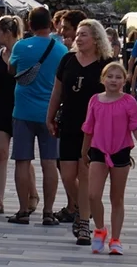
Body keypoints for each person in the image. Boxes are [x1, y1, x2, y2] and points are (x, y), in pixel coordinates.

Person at [47, 19, 114, 245]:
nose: (78, 38)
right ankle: (81, 208)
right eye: (78, 34)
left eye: (83, 34)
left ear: (95, 38)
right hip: (69, 122)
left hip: (94, 128)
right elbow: (57, 91)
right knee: (67, 174)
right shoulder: (67, 60)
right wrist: (50, 116)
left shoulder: (106, 63)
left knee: (85, 174)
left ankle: (84, 223)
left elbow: (114, 94)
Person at [8, 7, 67, 225]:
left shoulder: (21, 46)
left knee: (22, 161)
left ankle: (23, 210)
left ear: (29, 24)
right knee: (49, 162)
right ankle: (48, 212)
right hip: (49, 112)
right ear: (51, 24)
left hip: (23, 110)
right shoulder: (61, 50)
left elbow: (11, 70)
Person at [81, 62, 137, 255]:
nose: (113, 80)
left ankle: (115, 239)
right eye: (110, 76)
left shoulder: (128, 101)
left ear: (124, 81)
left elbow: (135, 125)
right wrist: (84, 151)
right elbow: (88, 128)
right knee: (93, 194)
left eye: (118, 77)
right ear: (103, 79)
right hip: (98, 151)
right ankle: (100, 229)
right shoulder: (95, 99)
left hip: (121, 151)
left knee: (116, 197)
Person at [0, 15, 36, 217]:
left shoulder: (24, 52)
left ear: (8, 33)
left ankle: (32, 194)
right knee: (1, 153)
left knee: (23, 157)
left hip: (22, 107)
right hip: (1, 106)